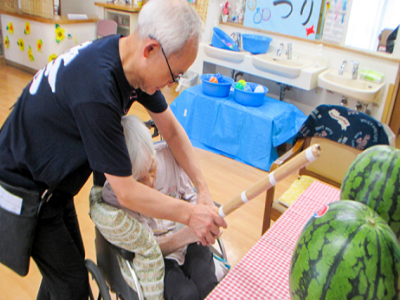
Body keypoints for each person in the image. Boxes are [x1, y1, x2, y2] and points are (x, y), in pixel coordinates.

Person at [0, 0, 227, 298]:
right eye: (176, 74)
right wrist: (190, 215)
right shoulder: (97, 89)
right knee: (71, 282)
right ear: (151, 50)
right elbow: (127, 191)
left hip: (56, 184)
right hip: (25, 185)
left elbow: (171, 129)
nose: (173, 82)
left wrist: (203, 190)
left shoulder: (127, 61)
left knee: (65, 270)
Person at [101, 115, 219, 299]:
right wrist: (186, 234)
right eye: (139, 180)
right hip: (161, 257)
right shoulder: (117, 192)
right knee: (185, 295)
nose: (150, 181)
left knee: (209, 286)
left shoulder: (168, 155)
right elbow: (148, 248)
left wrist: (208, 216)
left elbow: (192, 197)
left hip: (191, 242)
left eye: (151, 167)